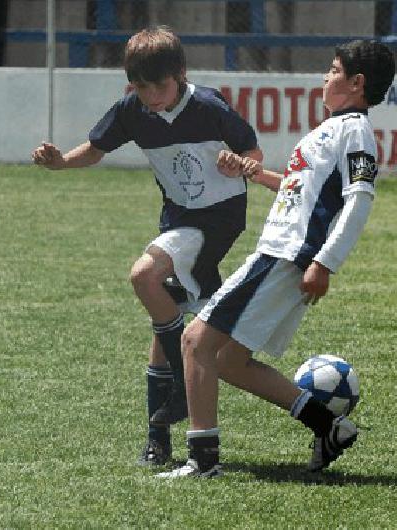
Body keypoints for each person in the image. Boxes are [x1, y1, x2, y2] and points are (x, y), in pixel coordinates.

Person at [156, 39, 396, 478]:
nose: (326, 76)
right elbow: (300, 189)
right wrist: (253, 172)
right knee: (227, 360)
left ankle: (202, 461)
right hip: (282, 254)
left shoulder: (354, 130)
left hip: (285, 256)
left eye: (334, 69)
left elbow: (359, 198)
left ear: (357, 83)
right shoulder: (332, 128)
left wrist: (326, 263)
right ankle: (328, 427)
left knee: (195, 342)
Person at [31, 26, 263, 467]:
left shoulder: (209, 105)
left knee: (144, 276)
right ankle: (158, 438)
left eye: (160, 85)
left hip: (219, 219)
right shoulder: (132, 111)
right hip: (177, 218)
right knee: (166, 311)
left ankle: (179, 384)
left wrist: (240, 166)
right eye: (141, 87)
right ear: (129, 85)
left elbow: (253, 152)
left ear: (180, 74)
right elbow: (96, 149)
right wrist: (61, 162)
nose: (153, 96)